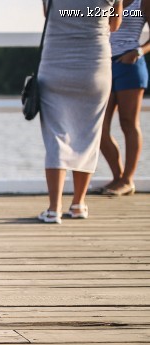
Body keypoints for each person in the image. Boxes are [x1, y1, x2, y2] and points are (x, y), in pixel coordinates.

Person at [36, 0, 123, 224]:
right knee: (88, 134)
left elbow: (49, 14)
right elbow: (115, 24)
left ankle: (54, 208)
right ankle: (78, 205)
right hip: (94, 65)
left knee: (56, 136)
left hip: (55, 65)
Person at [97, 0, 148, 196]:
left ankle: (127, 179)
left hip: (129, 65)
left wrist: (137, 52)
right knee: (99, 127)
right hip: (102, 64)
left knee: (128, 122)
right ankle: (118, 176)